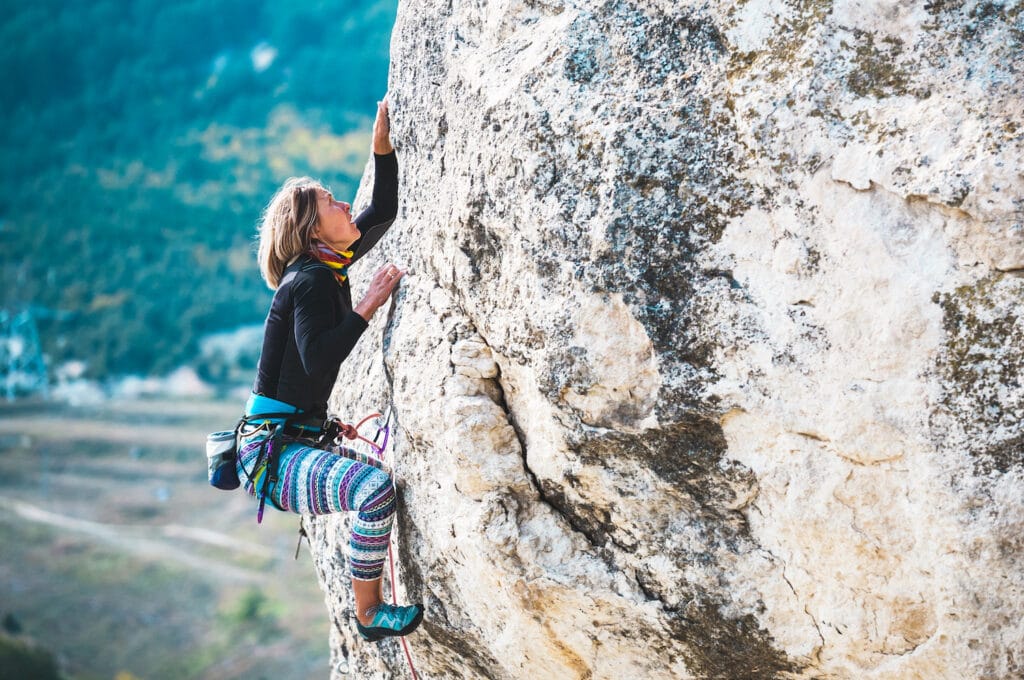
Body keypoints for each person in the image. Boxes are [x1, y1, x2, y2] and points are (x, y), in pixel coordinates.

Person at [238, 96, 422, 643]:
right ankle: (367, 615)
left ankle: (367, 601)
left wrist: (381, 147)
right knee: (373, 489)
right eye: (332, 202)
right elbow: (318, 358)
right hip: (273, 454)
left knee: (377, 485)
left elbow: (382, 212)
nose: (346, 204)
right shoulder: (311, 280)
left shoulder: (327, 265)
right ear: (312, 230)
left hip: (289, 441)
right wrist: (369, 303)